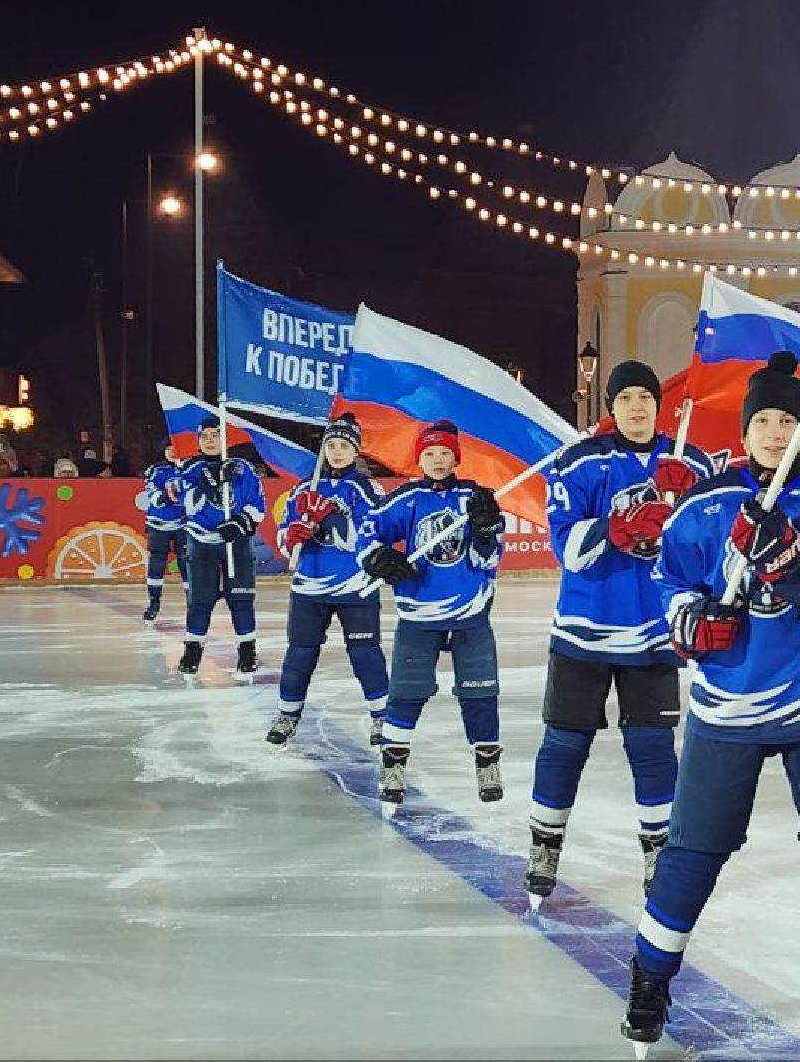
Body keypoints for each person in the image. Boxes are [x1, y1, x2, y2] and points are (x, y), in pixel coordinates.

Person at [619, 352, 800, 1053]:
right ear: (746, 430)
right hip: (727, 709)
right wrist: (688, 618)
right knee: (692, 852)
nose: (777, 432)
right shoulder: (704, 505)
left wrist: (793, 569)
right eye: (766, 421)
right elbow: (671, 580)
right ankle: (649, 983)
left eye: (790, 420)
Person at [525, 361, 713, 906]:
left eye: (645, 397)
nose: (637, 406)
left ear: (659, 405)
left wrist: (681, 514)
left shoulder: (689, 463)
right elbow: (568, 551)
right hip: (584, 631)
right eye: (626, 396)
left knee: (653, 748)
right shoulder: (580, 463)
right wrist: (617, 527)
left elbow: (708, 548)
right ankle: (545, 845)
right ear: (612, 405)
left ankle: (661, 855)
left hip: (655, 632)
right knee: (564, 745)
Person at [357, 418, 507, 810]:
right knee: (406, 693)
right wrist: (376, 557)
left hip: (469, 612)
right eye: (430, 453)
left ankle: (487, 765)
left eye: (444, 453)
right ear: (419, 458)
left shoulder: (475, 497)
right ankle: (392, 767)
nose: (438, 460)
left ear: (455, 458)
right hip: (418, 613)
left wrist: (487, 533)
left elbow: (488, 559)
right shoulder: (404, 499)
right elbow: (366, 530)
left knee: (480, 695)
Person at [266, 414, 390, 748]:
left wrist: (331, 518)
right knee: (300, 653)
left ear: (356, 451)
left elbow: (371, 534)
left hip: (355, 587)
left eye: (344, 446)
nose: (336, 452)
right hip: (309, 587)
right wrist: (293, 536)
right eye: (330, 445)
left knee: (365, 653)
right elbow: (283, 537)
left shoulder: (366, 489)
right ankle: (287, 714)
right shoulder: (303, 487)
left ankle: (381, 717)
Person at [176, 416, 267, 677]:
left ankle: (247, 651)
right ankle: (192, 649)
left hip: (236, 543)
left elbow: (255, 503)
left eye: (215, 435)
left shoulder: (243, 468)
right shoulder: (189, 469)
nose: (210, 441)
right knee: (200, 599)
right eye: (204, 436)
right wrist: (208, 482)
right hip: (201, 543)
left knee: (241, 598)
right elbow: (188, 504)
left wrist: (240, 523)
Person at [140, 442, 190, 622]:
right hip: (158, 524)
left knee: (186, 562)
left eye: (177, 448)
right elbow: (151, 492)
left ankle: (192, 603)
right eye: (169, 448)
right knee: (157, 563)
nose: (173, 452)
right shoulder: (155, 470)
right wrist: (163, 497)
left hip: (183, 525)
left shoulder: (189, 468)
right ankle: (154, 602)